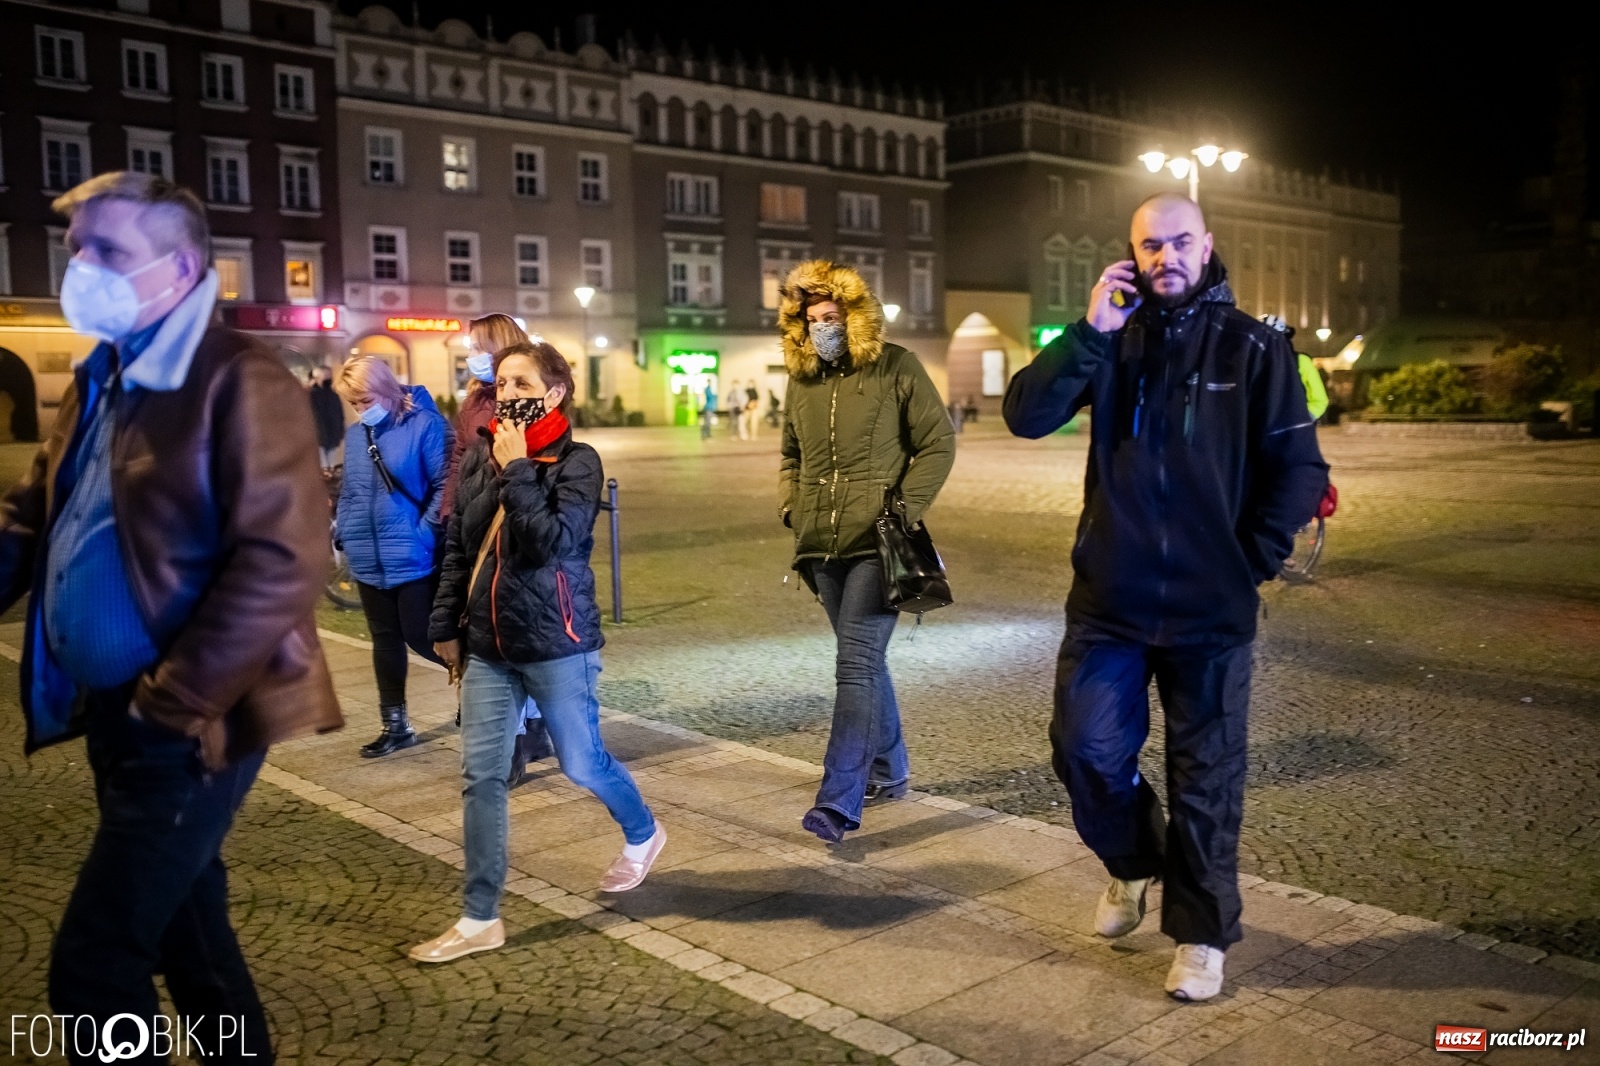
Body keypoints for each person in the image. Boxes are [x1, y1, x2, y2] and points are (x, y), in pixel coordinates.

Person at [0, 171, 341, 1062]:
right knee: (195, 942)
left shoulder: (240, 377)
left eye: (108, 250)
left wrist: (174, 706)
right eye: (76, 248)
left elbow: (282, 561)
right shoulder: (105, 371)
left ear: (182, 267)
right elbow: (38, 515)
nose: (81, 265)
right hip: (118, 713)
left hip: (191, 723)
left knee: (94, 966)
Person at [1003, 193, 1329, 1002]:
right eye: (1151, 245)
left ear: (1207, 244)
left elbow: (1301, 470)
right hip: (1109, 604)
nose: (1166, 257)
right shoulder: (1109, 340)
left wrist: (1245, 560)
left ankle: (1201, 935)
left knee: (1206, 778)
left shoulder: (1254, 349)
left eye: (1180, 242)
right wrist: (1087, 335)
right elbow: (1024, 416)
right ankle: (1132, 864)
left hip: (1208, 615)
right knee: (1084, 753)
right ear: (1132, 253)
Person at [415, 341, 665, 962]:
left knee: (581, 764)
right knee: (481, 776)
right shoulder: (481, 455)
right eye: (501, 384)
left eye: (521, 383)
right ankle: (479, 917)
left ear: (553, 394)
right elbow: (459, 548)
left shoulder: (577, 462)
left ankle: (644, 831)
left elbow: (551, 543)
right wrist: (445, 622)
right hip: (489, 646)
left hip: (557, 641)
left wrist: (521, 469)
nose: (507, 394)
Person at [777, 259, 955, 844]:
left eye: (831, 316)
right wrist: (791, 506)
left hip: (876, 544)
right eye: (811, 319)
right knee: (866, 660)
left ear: (855, 318)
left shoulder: (897, 367)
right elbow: (791, 457)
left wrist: (899, 511)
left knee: (853, 664)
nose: (821, 327)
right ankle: (890, 768)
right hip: (819, 545)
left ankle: (839, 798)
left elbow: (937, 443)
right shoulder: (800, 382)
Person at [334, 356, 453, 758]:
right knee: (384, 640)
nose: (360, 408)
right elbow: (351, 491)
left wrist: (422, 534)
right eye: (352, 402)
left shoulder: (426, 425)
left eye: (364, 398)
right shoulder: (356, 435)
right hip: (369, 553)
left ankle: (480, 692)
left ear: (386, 388)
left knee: (422, 634)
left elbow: (444, 488)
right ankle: (395, 724)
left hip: (412, 553)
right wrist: (346, 531)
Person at [451, 314, 553, 783]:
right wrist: (452, 510)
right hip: (476, 522)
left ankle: (523, 732)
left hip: (518, 522)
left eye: (478, 345)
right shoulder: (475, 399)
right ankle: (514, 729)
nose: (471, 353)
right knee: (485, 635)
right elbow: (460, 457)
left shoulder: (531, 402)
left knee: (517, 634)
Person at [309, 364, 346, 470]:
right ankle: (327, 471)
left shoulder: (333, 395)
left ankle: (329, 471)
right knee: (323, 459)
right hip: (319, 431)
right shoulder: (312, 394)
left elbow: (339, 413)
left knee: (330, 458)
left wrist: (340, 429)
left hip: (331, 430)